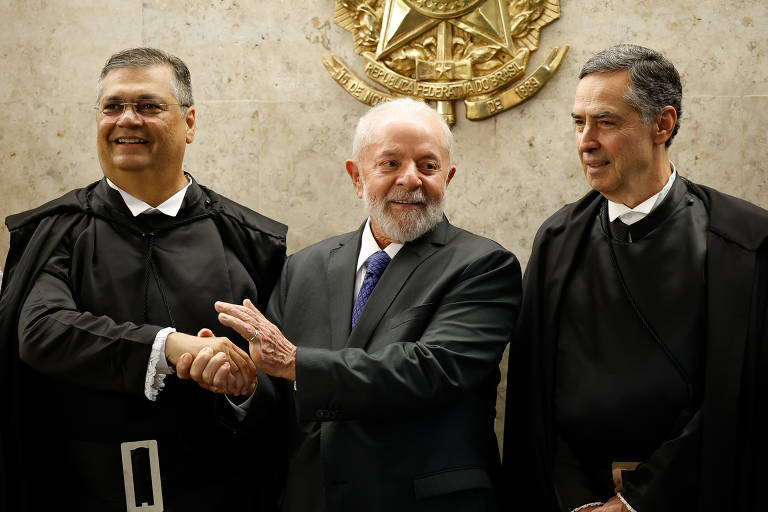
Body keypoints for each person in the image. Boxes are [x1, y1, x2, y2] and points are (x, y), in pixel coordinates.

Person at [198, 98, 522, 511]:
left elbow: (431, 370)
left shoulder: (484, 266)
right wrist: (242, 385)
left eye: (428, 166)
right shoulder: (303, 267)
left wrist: (298, 362)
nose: (411, 179)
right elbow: (278, 395)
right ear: (356, 177)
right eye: (390, 164)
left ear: (449, 176)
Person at [0, 48, 288, 511]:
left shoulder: (253, 241)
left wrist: (246, 385)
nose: (126, 120)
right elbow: (41, 331)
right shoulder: (53, 231)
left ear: (189, 123)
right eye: (112, 107)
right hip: (81, 491)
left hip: (217, 492)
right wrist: (172, 347)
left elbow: (285, 373)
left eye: (148, 106)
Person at [502, 44, 768, 512]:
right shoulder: (557, 238)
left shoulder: (745, 243)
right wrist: (580, 500)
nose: (586, 141)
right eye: (578, 122)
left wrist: (636, 502)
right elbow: (534, 399)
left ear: (662, 125)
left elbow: (738, 397)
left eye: (605, 122)